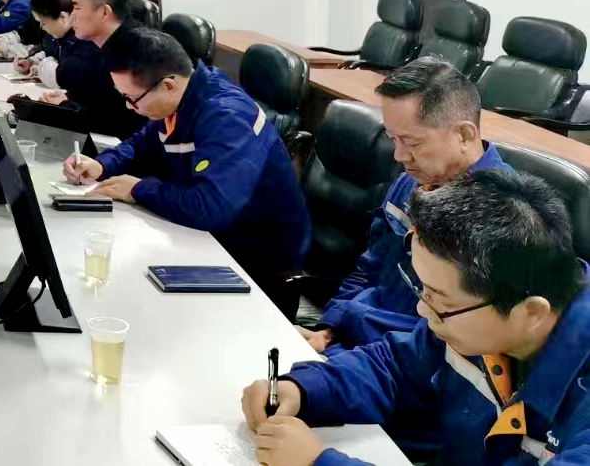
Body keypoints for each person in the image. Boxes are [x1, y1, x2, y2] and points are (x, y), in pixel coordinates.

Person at [241, 170, 590, 466]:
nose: (423, 310)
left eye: (440, 298)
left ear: (531, 312)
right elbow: (394, 365)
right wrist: (303, 389)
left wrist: (319, 462)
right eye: (422, 289)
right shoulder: (475, 317)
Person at [63, 26, 310, 304]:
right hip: (206, 239)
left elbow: (209, 208)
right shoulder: (183, 97)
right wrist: (102, 165)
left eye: (132, 98)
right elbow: (144, 143)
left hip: (255, 264)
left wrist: (137, 190)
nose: (130, 107)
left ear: (168, 85)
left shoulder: (227, 119)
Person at [303, 58, 508, 356]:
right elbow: (369, 267)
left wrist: (342, 362)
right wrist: (329, 329)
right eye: (393, 139)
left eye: (412, 142)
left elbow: (440, 348)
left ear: (464, 135)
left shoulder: (499, 217)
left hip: (395, 363)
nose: (399, 156)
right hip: (353, 341)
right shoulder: (410, 181)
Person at [38, 0, 147, 140]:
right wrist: (67, 99)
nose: (71, 16)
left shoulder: (131, 50)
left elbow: (116, 122)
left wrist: (66, 106)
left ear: (104, 12)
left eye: (77, 7)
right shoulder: (97, 44)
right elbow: (94, 95)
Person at [14, 0, 100, 89]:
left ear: (63, 17)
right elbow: (51, 56)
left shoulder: (84, 42)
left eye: (43, 23)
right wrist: (31, 63)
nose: (42, 28)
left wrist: (44, 69)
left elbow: (66, 77)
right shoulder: (53, 37)